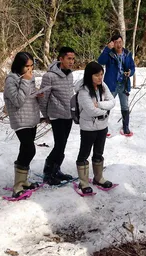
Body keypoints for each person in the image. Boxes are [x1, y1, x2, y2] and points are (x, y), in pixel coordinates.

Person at [4, 52, 42, 198]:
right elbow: (18, 101)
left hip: (31, 117)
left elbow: (27, 95)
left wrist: (37, 94)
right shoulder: (11, 80)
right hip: (20, 120)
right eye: (27, 66)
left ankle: (23, 180)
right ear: (19, 65)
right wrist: (26, 82)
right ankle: (18, 184)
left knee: (26, 149)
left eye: (32, 66)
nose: (30, 69)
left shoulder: (29, 77)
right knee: (29, 150)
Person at [75, 62, 116, 194]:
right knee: (84, 154)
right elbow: (90, 110)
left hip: (102, 126)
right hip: (88, 127)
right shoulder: (83, 90)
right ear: (89, 75)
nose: (100, 78)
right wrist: (105, 110)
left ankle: (99, 178)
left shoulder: (102, 86)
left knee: (99, 153)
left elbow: (112, 101)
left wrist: (99, 104)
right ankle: (83, 182)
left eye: (101, 75)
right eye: (97, 75)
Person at [39, 47, 76, 185]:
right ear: (61, 59)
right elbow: (43, 98)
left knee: (63, 145)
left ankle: (57, 170)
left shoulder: (70, 74)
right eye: (69, 59)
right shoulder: (49, 76)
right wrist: (46, 115)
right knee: (59, 145)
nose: (71, 61)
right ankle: (48, 171)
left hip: (68, 115)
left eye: (73, 59)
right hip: (56, 115)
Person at [97, 34, 136, 136]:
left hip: (124, 84)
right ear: (112, 43)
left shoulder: (127, 54)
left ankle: (126, 127)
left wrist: (130, 72)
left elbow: (132, 67)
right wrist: (106, 49)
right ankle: (102, 127)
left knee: (125, 106)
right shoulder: (109, 54)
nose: (119, 44)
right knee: (107, 105)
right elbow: (100, 61)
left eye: (120, 42)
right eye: (116, 42)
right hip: (111, 84)